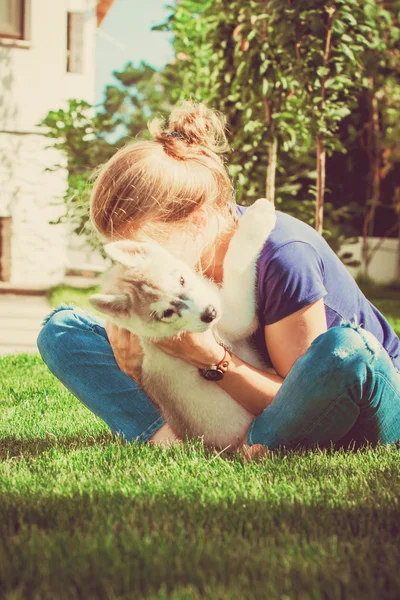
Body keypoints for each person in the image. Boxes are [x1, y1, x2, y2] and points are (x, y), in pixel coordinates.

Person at [37, 101, 400, 454]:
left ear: (196, 220)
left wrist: (212, 359)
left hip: (356, 394)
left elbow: (304, 399)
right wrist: (136, 365)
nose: (135, 265)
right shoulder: (172, 266)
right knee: (63, 331)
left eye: (143, 247)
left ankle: (262, 442)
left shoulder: (284, 254)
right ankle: (168, 439)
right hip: (241, 402)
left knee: (348, 352)